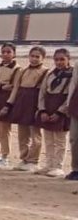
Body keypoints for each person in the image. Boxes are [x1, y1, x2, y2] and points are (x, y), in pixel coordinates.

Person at [7, 45, 47, 172]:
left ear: (43, 58)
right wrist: (10, 103)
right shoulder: (23, 71)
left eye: (37, 57)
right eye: (32, 56)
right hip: (22, 102)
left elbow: (44, 92)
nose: (34, 59)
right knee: (22, 133)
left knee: (35, 134)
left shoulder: (45, 72)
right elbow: (16, 88)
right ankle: (24, 157)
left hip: (35, 102)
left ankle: (33, 160)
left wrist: (41, 108)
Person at [37, 48, 72, 178]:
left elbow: (70, 96)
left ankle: (58, 166)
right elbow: (42, 93)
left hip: (61, 108)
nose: (59, 62)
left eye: (62, 59)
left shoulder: (72, 75)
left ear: (68, 60)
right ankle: (49, 164)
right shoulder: (50, 74)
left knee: (60, 140)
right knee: (48, 139)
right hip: (48, 106)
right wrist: (42, 110)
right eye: (56, 59)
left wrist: (60, 112)